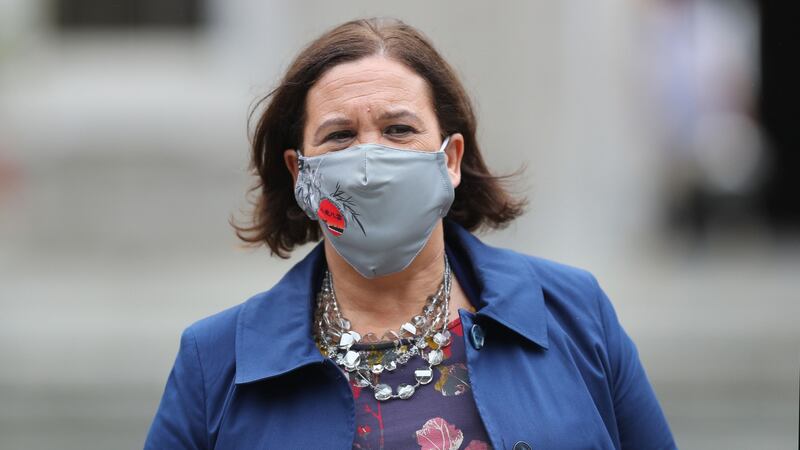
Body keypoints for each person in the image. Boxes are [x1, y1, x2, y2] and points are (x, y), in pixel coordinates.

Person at [144, 17, 676, 450]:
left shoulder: (574, 314)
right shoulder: (217, 364)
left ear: (451, 159)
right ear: (299, 173)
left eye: (399, 130)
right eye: (340, 136)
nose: (370, 160)